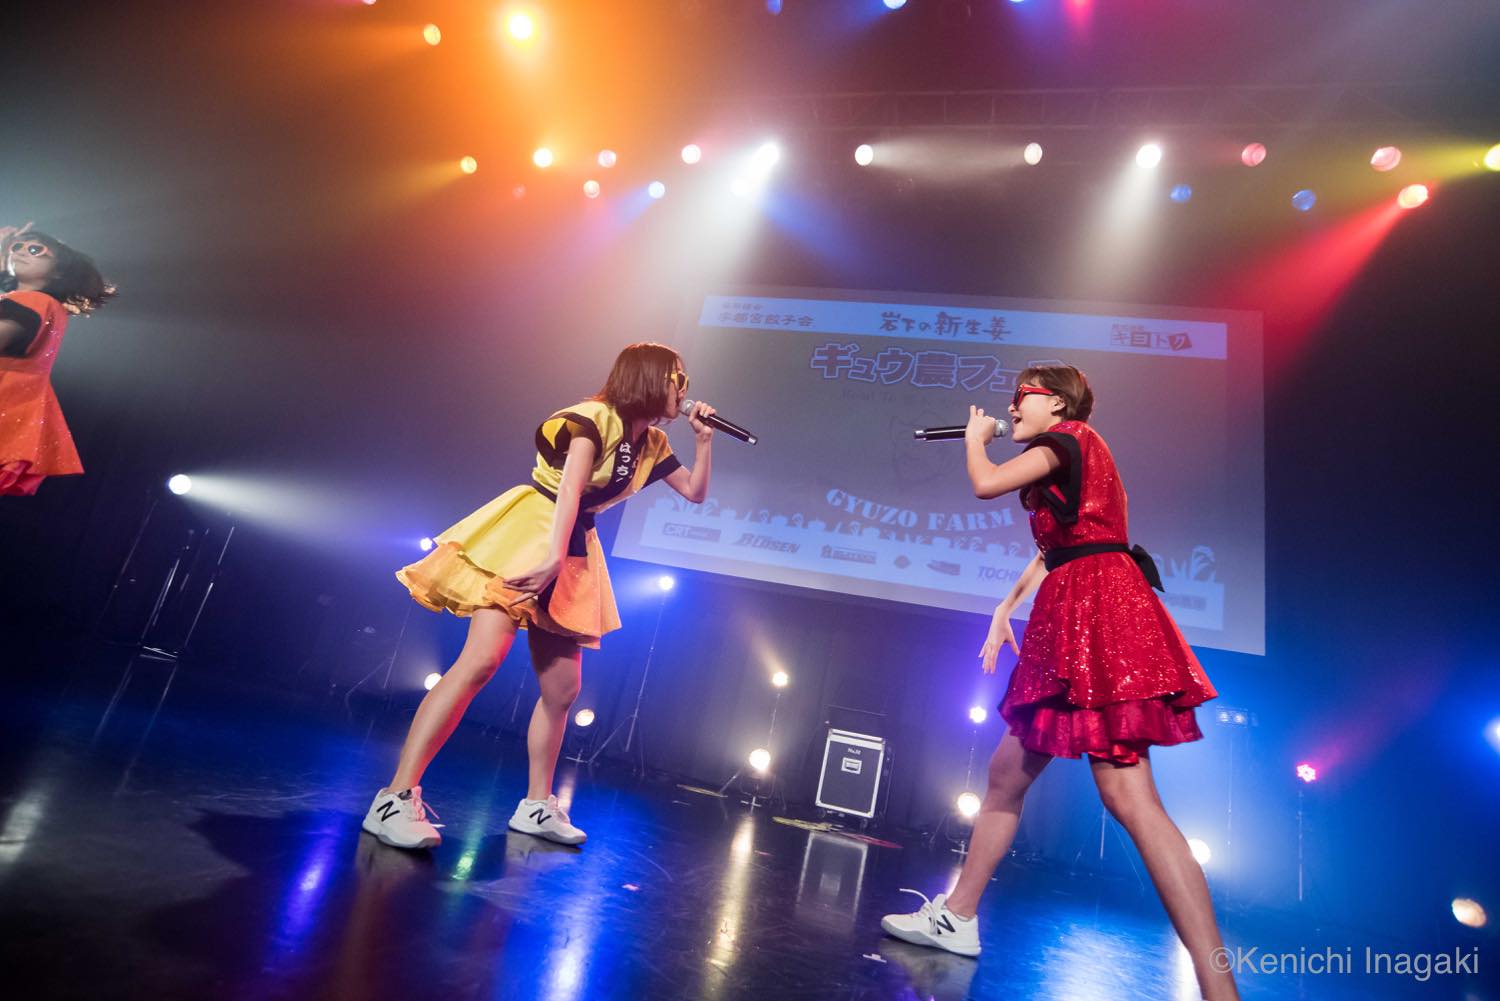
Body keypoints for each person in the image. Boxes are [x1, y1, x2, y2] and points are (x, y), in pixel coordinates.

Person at [881, 365, 1238, 1000]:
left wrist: (975, 441)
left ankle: (1219, 986)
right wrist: (1005, 606)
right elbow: (1053, 550)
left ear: (1057, 404)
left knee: (1129, 797)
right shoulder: (1068, 458)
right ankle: (958, 916)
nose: (1011, 408)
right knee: (1005, 776)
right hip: (1075, 611)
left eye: (1021, 397)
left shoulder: (1069, 439)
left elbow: (985, 483)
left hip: (1098, 614)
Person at [363, 343, 716, 850]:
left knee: (563, 690)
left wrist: (704, 441)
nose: (683, 389)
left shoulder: (653, 443)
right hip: (533, 530)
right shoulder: (593, 418)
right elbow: (569, 489)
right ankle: (395, 797)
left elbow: (695, 492)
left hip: (573, 546)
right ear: (647, 379)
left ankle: (535, 805)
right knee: (481, 661)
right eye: (675, 378)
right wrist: (551, 557)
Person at [0, 225, 114, 496]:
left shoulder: (33, 302)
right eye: (17, 247)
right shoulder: (44, 306)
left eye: (35, 249)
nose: (21, 252)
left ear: (58, 270)